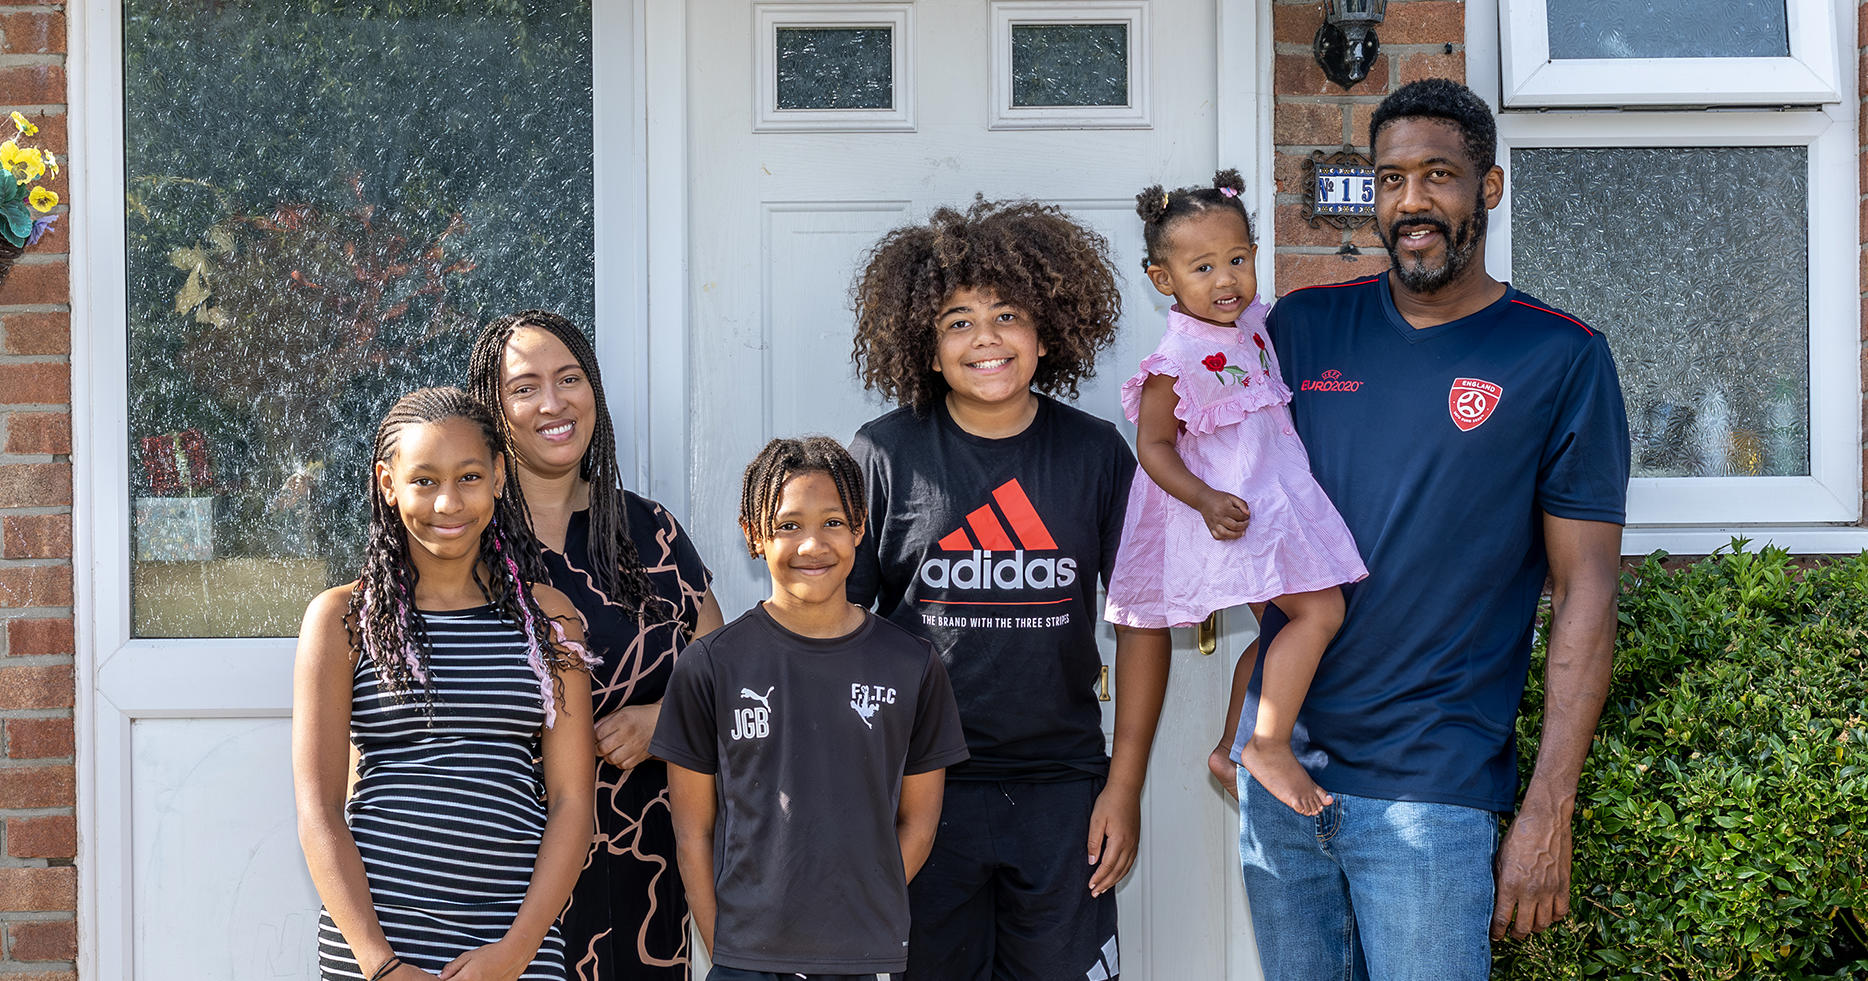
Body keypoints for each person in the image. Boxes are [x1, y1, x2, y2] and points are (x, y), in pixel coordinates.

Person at [1223, 78, 1630, 979]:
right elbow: (1240, 511)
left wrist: (1548, 808)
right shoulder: (1301, 328)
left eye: (1439, 175)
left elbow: (1587, 590)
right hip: (1284, 780)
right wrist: (1249, 715)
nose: (1412, 201)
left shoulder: (1559, 356)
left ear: (1489, 186)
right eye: (1391, 178)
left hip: (1433, 790)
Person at [845, 198, 1171, 981]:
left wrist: (1123, 785)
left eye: (1007, 316)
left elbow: (1144, 622)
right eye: (957, 321)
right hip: (920, 788)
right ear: (926, 347)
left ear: (1047, 332)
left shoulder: (1096, 453)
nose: (985, 338)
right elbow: (839, 631)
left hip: (1062, 791)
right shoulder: (884, 454)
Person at [293, 386, 598, 981]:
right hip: (378, 946)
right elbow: (319, 811)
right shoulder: (341, 621)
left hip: (515, 943)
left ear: (499, 477)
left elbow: (571, 804)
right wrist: (380, 964)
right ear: (388, 484)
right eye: (424, 481)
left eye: (469, 477)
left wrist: (515, 953)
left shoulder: (550, 619)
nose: (448, 502)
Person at [650, 436, 970, 981]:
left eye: (834, 522)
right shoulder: (711, 665)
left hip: (863, 955)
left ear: (860, 528)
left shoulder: (911, 664)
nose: (812, 544)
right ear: (754, 535)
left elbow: (919, 822)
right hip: (746, 959)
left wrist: (861, 906)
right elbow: (692, 834)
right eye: (788, 526)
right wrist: (725, 946)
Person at [468, 312, 727, 981]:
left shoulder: (654, 534)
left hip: (650, 869)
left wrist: (666, 722)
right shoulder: (465, 546)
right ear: (493, 409)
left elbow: (730, 682)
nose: (553, 402)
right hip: (509, 875)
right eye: (525, 387)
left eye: (569, 378)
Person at [1106, 168, 1367, 818]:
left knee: (1286, 623)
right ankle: (1266, 744)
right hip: (1232, 511)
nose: (1225, 280)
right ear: (1163, 279)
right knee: (1320, 613)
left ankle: (1230, 748)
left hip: (1270, 501)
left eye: (1237, 260)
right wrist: (1204, 499)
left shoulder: (1253, 323)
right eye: (1203, 268)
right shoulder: (1175, 360)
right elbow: (1153, 447)